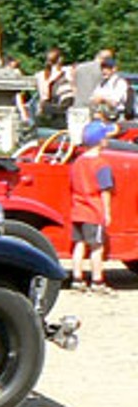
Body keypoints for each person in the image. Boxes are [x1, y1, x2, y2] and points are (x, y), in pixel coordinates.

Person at [69, 120, 116, 294]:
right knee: (97, 247)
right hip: (94, 211)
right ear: (101, 140)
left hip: (77, 209)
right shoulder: (101, 164)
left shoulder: (78, 162)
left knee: (79, 245)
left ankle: (77, 278)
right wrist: (107, 212)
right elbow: (105, 190)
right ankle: (97, 281)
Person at [36, 47, 73, 127]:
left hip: (45, 112)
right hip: (62, 113)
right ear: (60, 59)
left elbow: (42, 96)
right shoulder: (67, 72)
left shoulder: (40, 75)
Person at [87, 51, 127, 122]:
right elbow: (93, 97)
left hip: (116, 118)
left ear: (114, 69)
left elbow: (114, 102)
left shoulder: (120, 83)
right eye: (102, 68)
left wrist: (102, 99)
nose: (103, 71)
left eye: (107, 68)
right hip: (101, 116)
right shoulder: (102, 83)